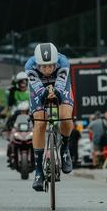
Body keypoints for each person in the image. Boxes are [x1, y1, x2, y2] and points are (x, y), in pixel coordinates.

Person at [25, 43, 74, 191]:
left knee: (65, 116)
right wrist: (44, 93)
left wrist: (56, 93)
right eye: (43, 67)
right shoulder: (30, 66)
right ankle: (38, 171)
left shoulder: (63, 62)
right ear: (37, 64)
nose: (46, 70)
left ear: (56, 62)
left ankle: (65, 149)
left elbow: (60, 85)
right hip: (39, 87)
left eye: (50, 66)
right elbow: (37, 89)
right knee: (40, 122)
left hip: (60, 85)